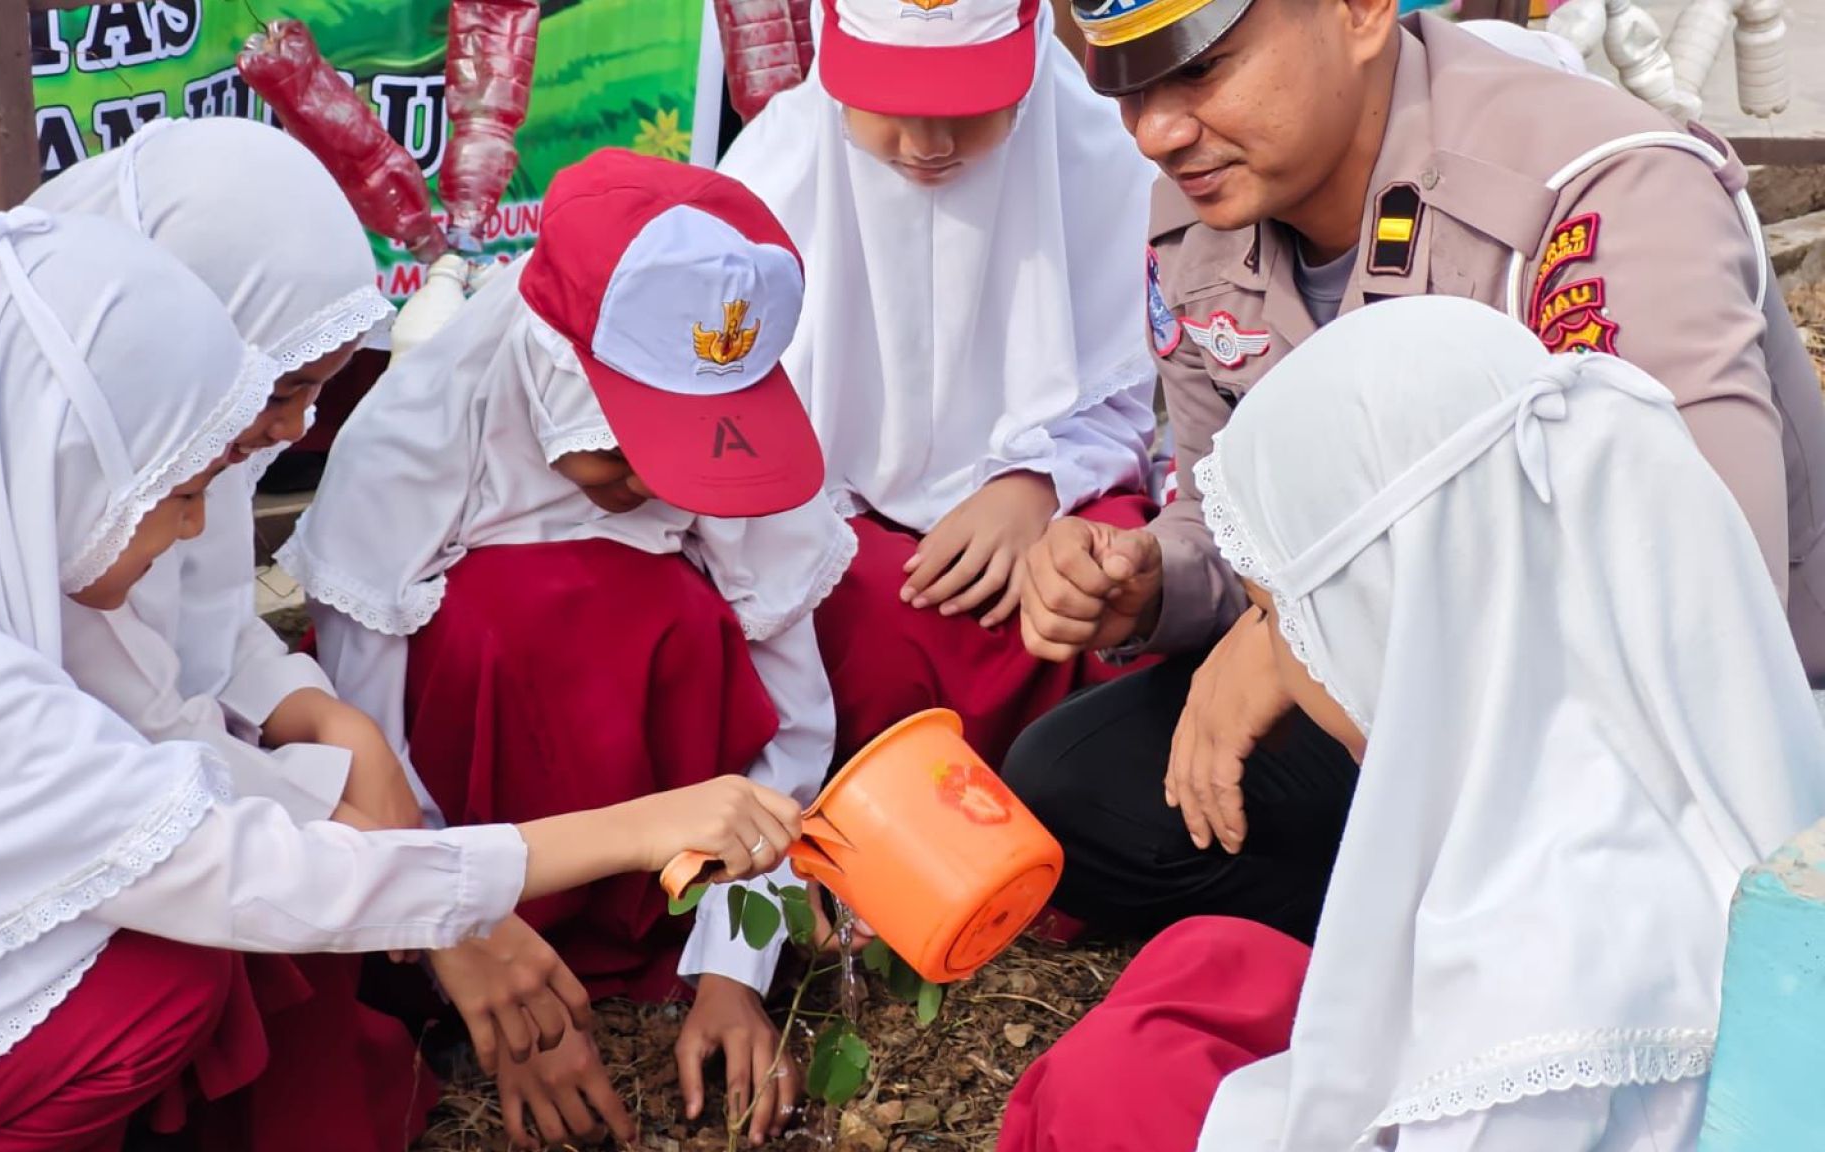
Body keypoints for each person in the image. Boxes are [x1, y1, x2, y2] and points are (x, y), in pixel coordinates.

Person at [0, 208, 803, 1151]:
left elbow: (189, 743)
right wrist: (622, 834)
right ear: (59, 461)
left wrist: (344, 766)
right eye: (182, 491)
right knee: (177, 978)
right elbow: (243, 863)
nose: (196, 528)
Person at [1003, 0, 1825, 945]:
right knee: (1077, 786)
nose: (1155, 132)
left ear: (1359, 12)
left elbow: (1694, 601)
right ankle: (1438, 926)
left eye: (1203, 68)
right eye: (1128, 85)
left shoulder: (1605, 189)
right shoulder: (1201, 212)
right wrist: (1152, 580)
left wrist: (1298, 646)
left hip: (1672, 734)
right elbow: (1227, 510)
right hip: (1413, 708)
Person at [998, 296, 1825, 1152]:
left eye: (1284, 623)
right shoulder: (1641, 768)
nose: (1278, 668)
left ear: (1395, 616)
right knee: (1205, 964)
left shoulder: (1532, 982)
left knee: (1113, 1082)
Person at [279, 149, 851, 1149]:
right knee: (502, 617)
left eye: (681, 448)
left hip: (670, 819)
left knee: (673, 614)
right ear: (557, 368)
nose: (645, 479)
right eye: (624, 446)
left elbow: (791, 711)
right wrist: (472, 950)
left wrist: (733, 968)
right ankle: (511, 962)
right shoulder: (416, 441)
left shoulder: (705, 413)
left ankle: (659, 935)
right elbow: (369, 747)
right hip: (471, 849)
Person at [28, 117, 558, 1151]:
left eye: (315, 392)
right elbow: (123, 737)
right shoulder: (55, 474)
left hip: (151, 782)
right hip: (86, 823)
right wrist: (426, 892)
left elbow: (205, 624)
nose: (293, 434)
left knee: (343, 780)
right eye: (279, 392)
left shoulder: (178, 428)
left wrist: (307, 711)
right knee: (290, 892)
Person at [717, 0, 1164, 767]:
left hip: (1060, 497)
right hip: (834, 521)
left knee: (1114, 571)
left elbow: (1128, 389)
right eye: (890, 102)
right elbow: (736, 440)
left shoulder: (1101, 159)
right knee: (860, 615)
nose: (928, 144)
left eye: (969, 103)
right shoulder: (764, 185)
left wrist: (1038, 481)